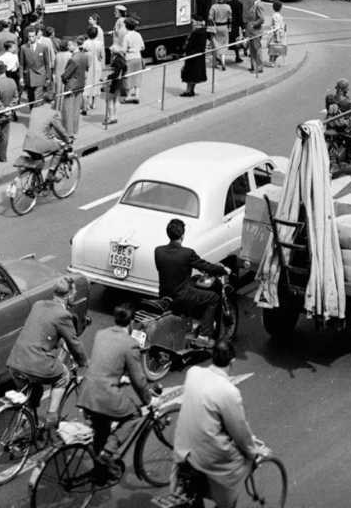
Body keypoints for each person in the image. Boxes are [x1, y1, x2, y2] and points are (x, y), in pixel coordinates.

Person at [173, 339, 271, 508]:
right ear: (232, 360)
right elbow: (239, 431)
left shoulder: (193, 373)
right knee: (241, 463)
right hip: (206, 455)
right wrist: (254, 451)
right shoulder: (229, 392)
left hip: (182, 446)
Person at [6, 276, 88, 433]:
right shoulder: (63, 315)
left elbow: (42, 331)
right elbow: (74, 343)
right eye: (74, 293)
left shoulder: (38, 305)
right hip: (34, 363)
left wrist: (58, 343)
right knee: (63, 375)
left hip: (15, 362)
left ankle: (18, 434)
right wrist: (84, 361)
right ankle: (51, 418)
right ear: (69, 295)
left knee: (32, 397)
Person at [77, 303, 158, 461]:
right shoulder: (130, 344)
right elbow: (138, 380)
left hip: (87, 392)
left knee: (102, 427)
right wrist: (149, 400)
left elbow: (105, 363)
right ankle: (109, 451)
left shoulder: (101, 334)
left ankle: (99, 467)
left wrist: (119, 377)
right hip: (104, 395)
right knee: (135, 414)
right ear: (132, 322)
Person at [154, 218, 228, 348]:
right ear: (182, 235)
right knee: (213, 298)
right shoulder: (187, 253)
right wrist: (223, 270)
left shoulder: (158, 251)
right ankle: (204, 336)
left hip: (164, 293)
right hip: (183, 296)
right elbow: (206, 266)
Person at [22, 91, 69, 165]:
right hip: (40, 144)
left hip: (27, 143)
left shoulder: (34, 110)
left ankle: (33, 175)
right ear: (53, 102)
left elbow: (39, 126)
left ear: (43, 100)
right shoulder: (53, 113)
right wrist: (67, 140)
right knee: (60, 149)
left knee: (39, 162)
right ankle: (51, 173)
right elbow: (61, 130)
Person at [61, 35, 89, 136]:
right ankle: (74, 130)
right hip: (80, 85)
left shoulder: (73, 59)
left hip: (71, 87)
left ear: (74, 45)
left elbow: (66, 75)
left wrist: (64, 80)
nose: (68, 47)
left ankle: (68, 132)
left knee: (68, 110)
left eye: (69, 45)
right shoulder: (84, 56)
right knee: (76, 110)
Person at [19, 27, 52, 107]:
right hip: (29, 76)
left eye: (33, 36)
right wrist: (21, 77)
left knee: (38, 97)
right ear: (27, 37)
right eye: (29, 36)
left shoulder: (43, 47)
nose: (31, 38)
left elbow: (47, 63)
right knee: (30, 98)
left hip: (40, 75)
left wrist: (48, 77)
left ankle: (37, 116)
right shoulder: (24, 47)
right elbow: (21, 64)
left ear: (36, 36)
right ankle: (33, 114)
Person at [181, 16, 207, 97]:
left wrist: (189, 51)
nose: (192, 24)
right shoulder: (202, 32)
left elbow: (193, 44)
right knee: (194, 74)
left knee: (190, 74)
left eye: (193, 22)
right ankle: (191, 90)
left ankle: (188, 91)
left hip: (193, 56)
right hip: (197, 56)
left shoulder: (197, 33)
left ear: (198, 23)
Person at [121, 17, 145, 103]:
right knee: (137, 76)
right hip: (138, 57)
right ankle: (137, 96)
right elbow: (143, 47)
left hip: (129, 58)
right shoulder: (138, 34)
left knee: (128, 77)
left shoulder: (127, 36)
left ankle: (128, 97)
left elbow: (123, 50)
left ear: (126, 26)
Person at [208, 0, 232, 71]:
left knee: (215, 44)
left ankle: (215, 62)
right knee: (224, 44)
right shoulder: (227, 6)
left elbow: (210, 18)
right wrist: (229, 27)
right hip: (224, 26)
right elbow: (230, 18)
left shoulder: (213, 6)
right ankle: (223, 61)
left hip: (216, 27)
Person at [83, 25, 104, 111]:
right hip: (97, 65)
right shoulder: (100, 43)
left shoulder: (85, 44)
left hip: (88, 66)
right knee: (96, 82)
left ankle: (87, 103)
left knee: (87, 83)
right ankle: (94, 103)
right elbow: (101, 55)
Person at [104, 46, 127, 124]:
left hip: (114, 82)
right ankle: (115, 116)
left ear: (112, 52)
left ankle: (111, 118)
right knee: (116, 99)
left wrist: (107, 77)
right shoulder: (122, 59)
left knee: (108, 100)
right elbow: (125, 68)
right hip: (120, 81)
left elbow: (115, 74)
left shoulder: (116, 61)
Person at [245, 0, 265, 76]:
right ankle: (254, 66)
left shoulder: (259, 5)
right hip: (252, 32)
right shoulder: (254, 4)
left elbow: (261, 19)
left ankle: (259, 67)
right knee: (252, 49)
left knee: (256, 49)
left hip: (256, 31)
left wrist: (253, 25)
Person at [267, 1, 286, 66]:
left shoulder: (275, 15)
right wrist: (277, 37)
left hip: (275, 33)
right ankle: (272, 61)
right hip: (275, 34)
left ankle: (272, 61)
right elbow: (276, 27)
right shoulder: (277, 16)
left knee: (274, 48)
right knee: (275, 48)